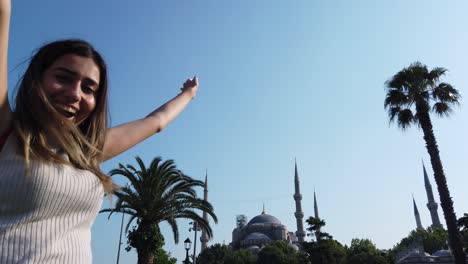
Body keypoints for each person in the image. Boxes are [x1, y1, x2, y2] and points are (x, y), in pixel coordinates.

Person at [0, 1, 199, 263]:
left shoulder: (87, 150)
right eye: (63, 77)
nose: (74, 93)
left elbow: (156, 122)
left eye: (89, 88)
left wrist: (188, 94)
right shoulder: (7, 132)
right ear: (37, 78)